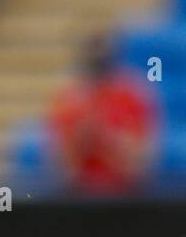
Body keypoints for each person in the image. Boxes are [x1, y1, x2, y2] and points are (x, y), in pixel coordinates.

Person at [48, 33, 157, 194]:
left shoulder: (133, 97)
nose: (99, 78)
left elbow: (142, 165)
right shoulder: (69, 101)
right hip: (79, 193)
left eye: (102, 67)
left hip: (124, 194)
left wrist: (110, 141)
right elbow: (59, 168)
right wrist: (83, 138)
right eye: (94, 68)